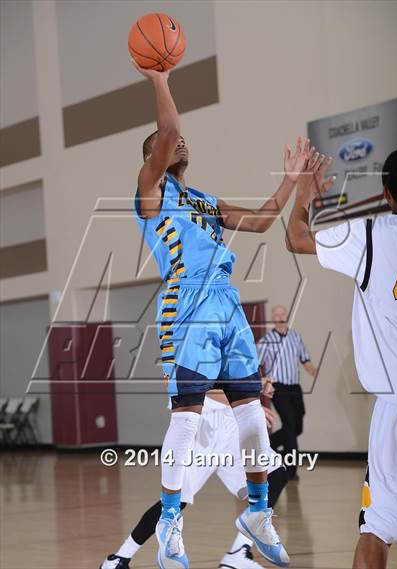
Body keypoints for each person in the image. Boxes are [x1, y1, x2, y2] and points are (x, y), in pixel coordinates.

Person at [131, 59, 311, 568]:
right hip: (187, 302)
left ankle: (256, 511)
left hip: (226, 302)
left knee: (250, 410)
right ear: (152, 159)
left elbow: (257, 222)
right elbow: (167, 130)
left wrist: (294, 183)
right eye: (166, 146)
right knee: (186, 417)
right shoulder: (151, 193)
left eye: (182, 144)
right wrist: (160, 79)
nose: (179, 144)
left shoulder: (204, 200)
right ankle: (170, 522)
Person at [285, 148, 397, 569]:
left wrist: (303, 194)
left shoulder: (373, 234)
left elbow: (297, 238)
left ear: (386, 193)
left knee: (375, 528)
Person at [100, 389, 289, 569]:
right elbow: (204, 387)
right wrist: (249, 405)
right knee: (175, 500)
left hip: (228, 422)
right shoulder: (189, 356)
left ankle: (239, 552)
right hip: (200, 420)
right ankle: (119, 559)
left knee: (274, 473)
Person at [257, 305, 317, 480]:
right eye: (276, 314)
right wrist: (264, 382)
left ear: (287, 316)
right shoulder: (266, 340)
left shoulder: (296, 337)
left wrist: (312, 370)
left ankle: (268, 445)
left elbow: (304, 358)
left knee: (297, 426)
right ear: (272, 318)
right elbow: (255, 364)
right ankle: (290, 470)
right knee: (290, 426)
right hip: (278, 388)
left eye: (282, 314)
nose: (280, 317)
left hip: (294, 387)